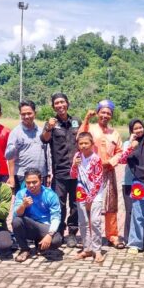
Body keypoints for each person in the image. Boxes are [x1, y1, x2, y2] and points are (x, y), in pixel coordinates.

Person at [79, 100, 123, 248]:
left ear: (111, 116)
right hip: (91, 173)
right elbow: (79, 138)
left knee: (111, 204)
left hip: (108, 172)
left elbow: (120, 153)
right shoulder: (90, 128)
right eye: (102, 112)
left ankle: (113, 235)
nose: (105, 115)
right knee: (91, 204)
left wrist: (110, 162)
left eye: (108, 113)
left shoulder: (115, 133)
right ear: (98, 113)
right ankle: (91, 235)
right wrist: (86, 119)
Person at [41, 93, 81, 247]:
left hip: (77, 171)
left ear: (67, 103)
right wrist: (48, 127)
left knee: (76, 204)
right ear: (53, 106)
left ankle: (72, 233)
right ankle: (58, 230)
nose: (60, 105)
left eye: (62, 102)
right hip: (60, 172)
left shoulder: (76, 121)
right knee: (59, 203)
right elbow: (44, 139)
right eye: (56, 103)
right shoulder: (51, 123)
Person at [11, 168, 63, 262]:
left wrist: (50, 235)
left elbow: (56, 217)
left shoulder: (50, 195)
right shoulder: (21, 194)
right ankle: (24, 249)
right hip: (30, 226)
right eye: (28, 182)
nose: (31, 185)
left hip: (45, 226)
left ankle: (40, 246)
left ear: (41, 181)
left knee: (56, 240)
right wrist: (23, 205)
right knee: (16, 221)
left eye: (34, 182)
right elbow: (15, 214)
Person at [70, 132, 105, 263]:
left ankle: (97, 250)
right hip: (81, 193)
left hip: (95, 194)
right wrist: (74, 165)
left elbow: (98, 180)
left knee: (95, 221)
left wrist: (90, 198)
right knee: (83, 222)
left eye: (86, 143)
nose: (83, 146)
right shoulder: (77, 156)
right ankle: (87, 248)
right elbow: (73, 175)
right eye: (81, 143)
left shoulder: (96, 159)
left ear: (92, 144)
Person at [5, 100, 50, 191]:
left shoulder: (42, 132)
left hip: (41, 175)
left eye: (29, 113)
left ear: (35, 113)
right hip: (22, 176)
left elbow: (48, 154)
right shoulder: (15, 133)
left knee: (40, 203)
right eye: (23, 114)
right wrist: (11, 177)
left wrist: (49, 173)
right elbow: (10, 157)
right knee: (24, 202)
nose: (26, 116)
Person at [121, 119, 144, 244]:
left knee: (142, 211)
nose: (138, 130)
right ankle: (128, 238)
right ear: (131, 131)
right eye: (135, 128)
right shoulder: (127, 143)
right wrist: (131, 143)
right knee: (130, 211)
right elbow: (123, 159)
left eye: (140, 127)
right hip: (129, 182)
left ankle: (142, 238)